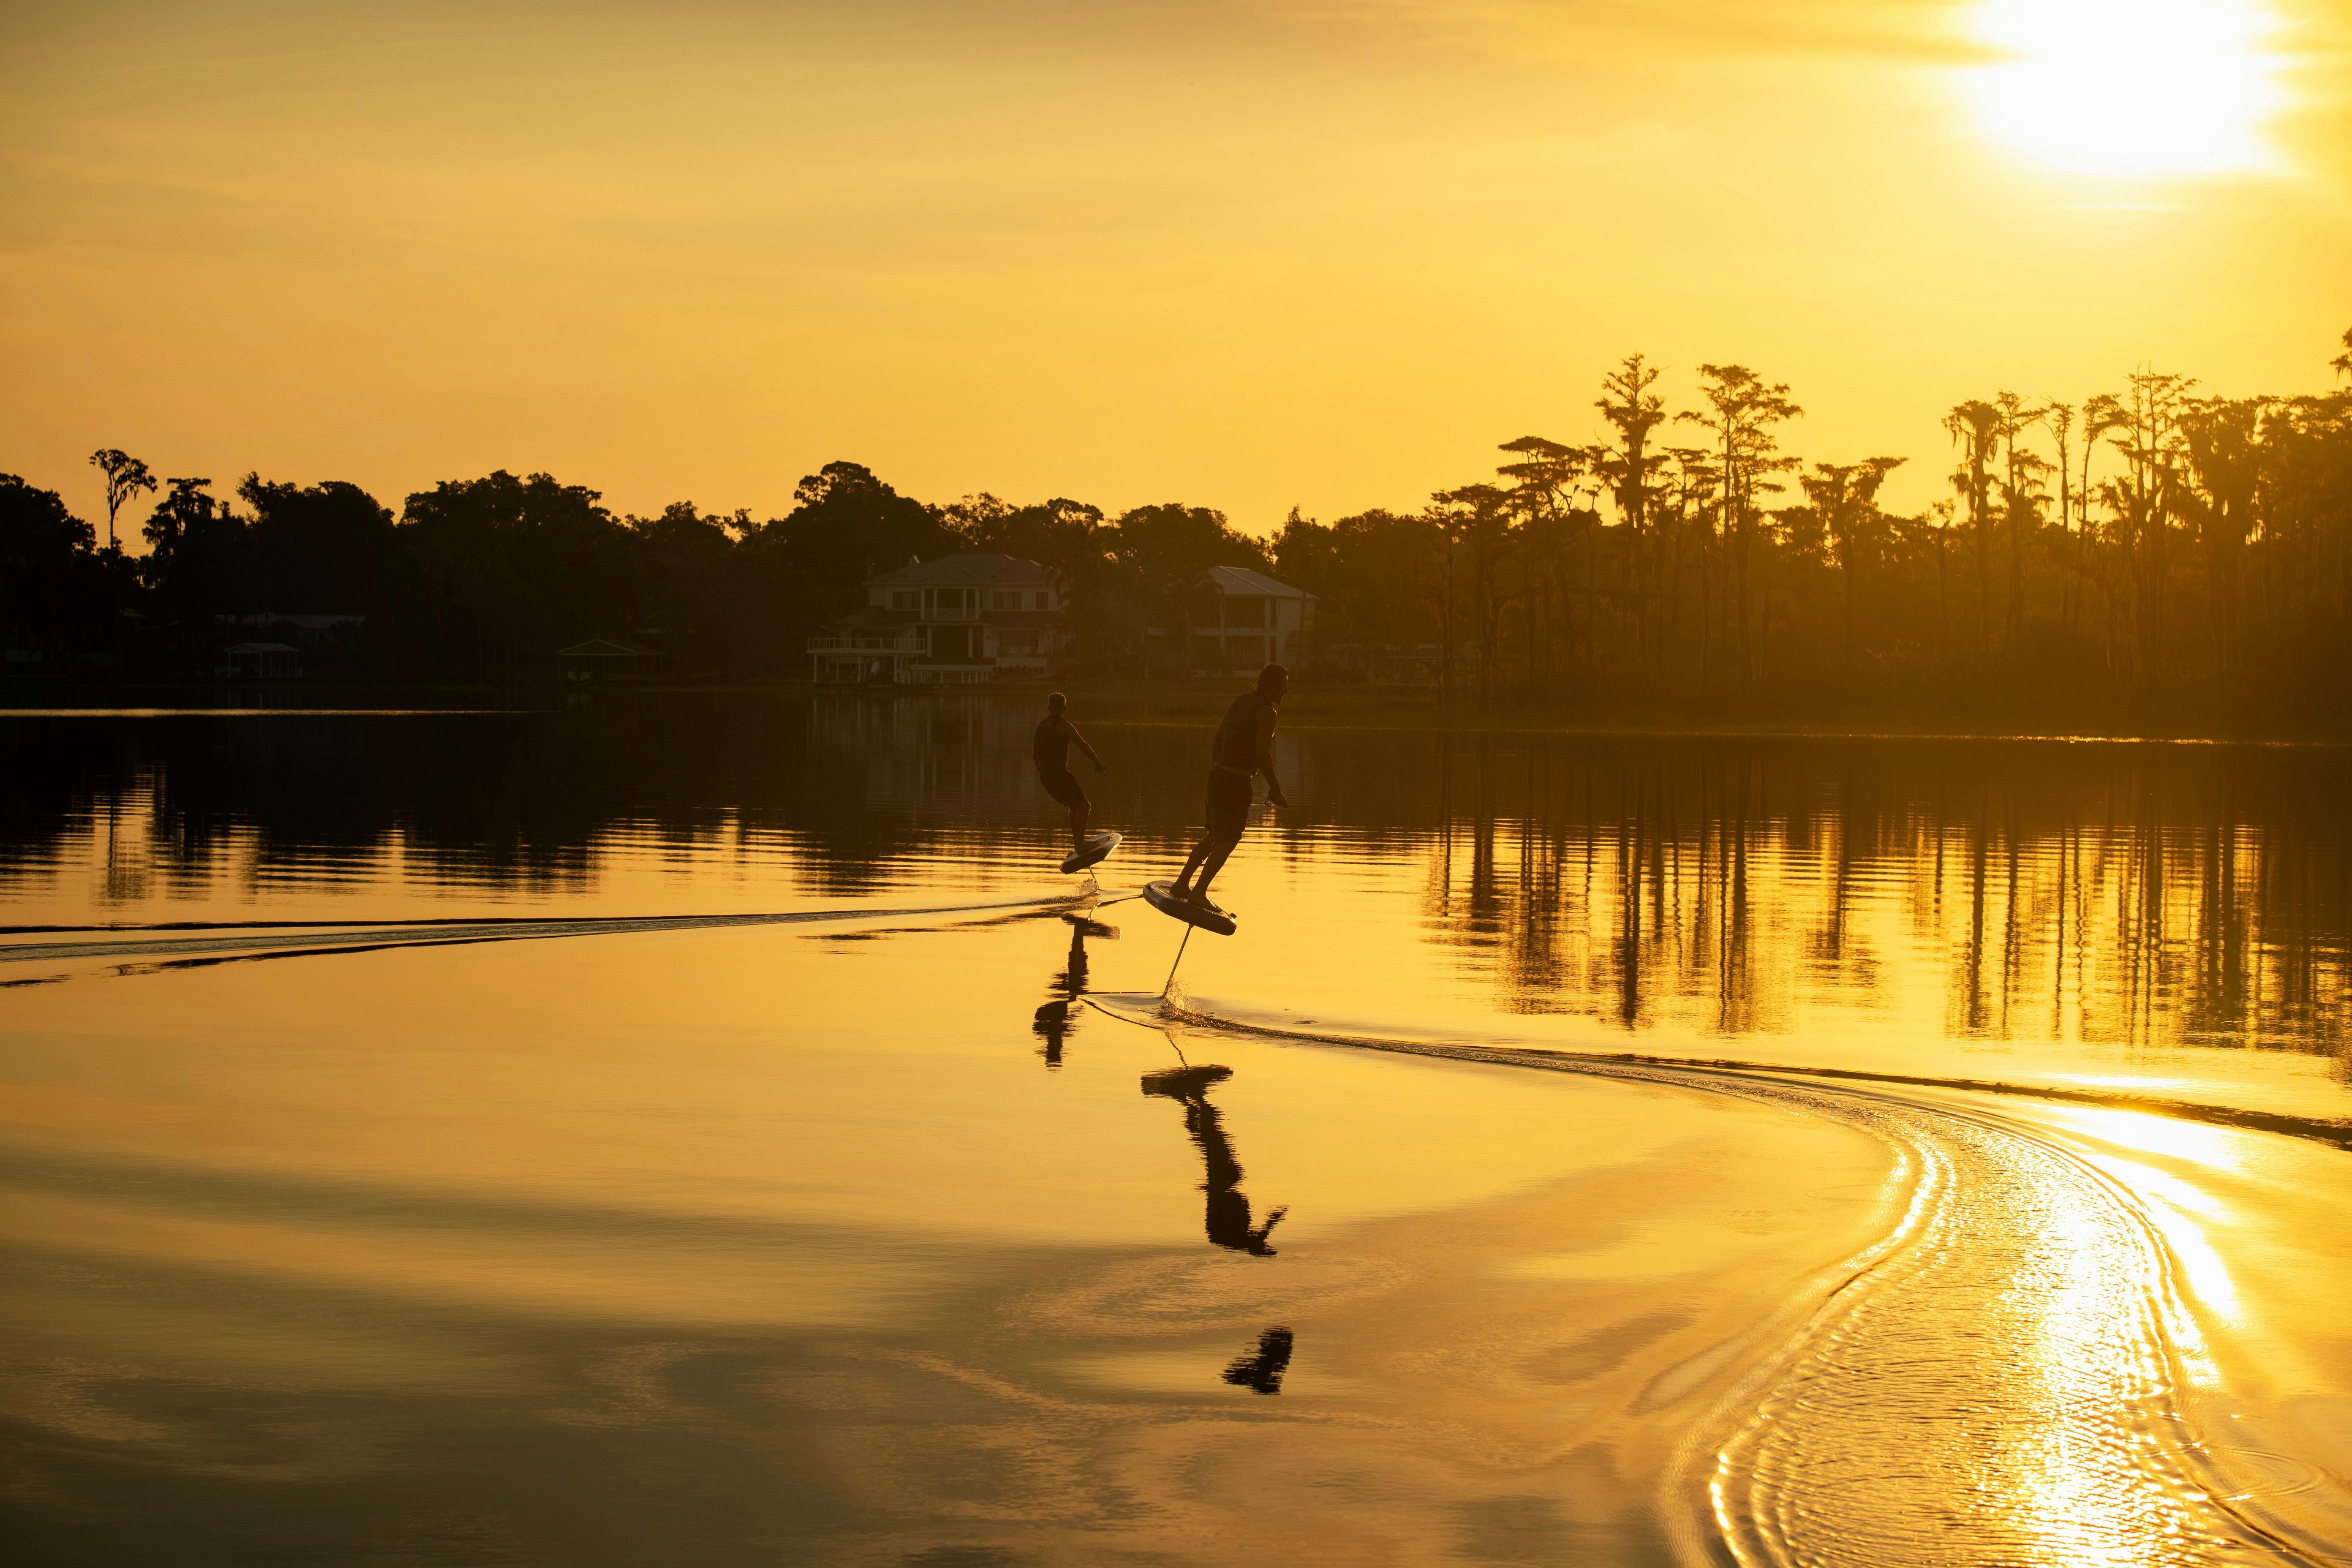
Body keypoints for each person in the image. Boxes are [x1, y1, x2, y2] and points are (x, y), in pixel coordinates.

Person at [1171, 663, 1289, 915]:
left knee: (1215, 834)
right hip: (1235, 784)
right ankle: (1199, 893)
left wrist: (1222, 767)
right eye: (1283, 687)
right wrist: (1276, 789)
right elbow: (1263, 753)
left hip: (1217, 777)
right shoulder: (1268, 713)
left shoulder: (1239, 701)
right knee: (1229, 839)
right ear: (1270, 686)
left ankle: (1182, 884)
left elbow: (1217, 739)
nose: (1286, 693)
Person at [1034, 691, 1106, 853]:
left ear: (1049, 708)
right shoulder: (1064, 725)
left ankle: (1078, 844)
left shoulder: (1041, 726)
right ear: (1065, 707)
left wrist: (1044, 772)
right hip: (1059, 774)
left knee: (1074, 806)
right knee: (1085, 806)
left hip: (1045, 776)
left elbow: (1035, 754)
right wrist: (1098, 763)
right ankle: (1080, 845)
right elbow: (1084, 746)